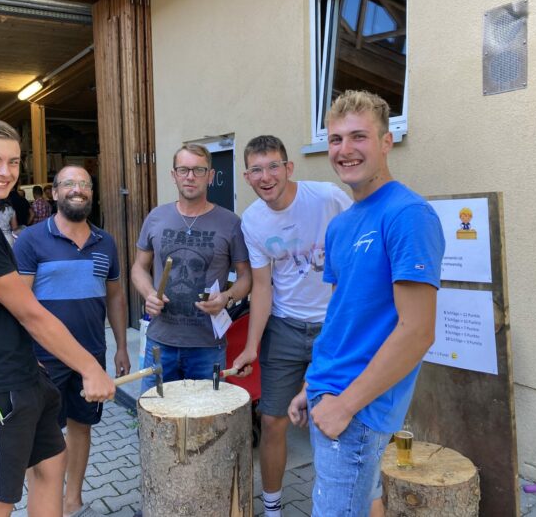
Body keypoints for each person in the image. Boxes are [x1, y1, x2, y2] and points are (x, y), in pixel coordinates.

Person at [0, 117, 115, 517]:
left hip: (21, 373)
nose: (5, 172)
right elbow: (30, 312)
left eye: (13, 162)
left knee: (51, 463)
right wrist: (89, 368)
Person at [288, 90, 445, 517]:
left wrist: (344, 404)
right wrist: (310, 385)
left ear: (386, 141)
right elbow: (340, 319)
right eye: (336, 139)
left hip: (358, 408)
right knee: (367, 501)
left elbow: (418, 331)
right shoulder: (341, 225)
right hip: (329, 392)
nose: (345, 150)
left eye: (359, 137)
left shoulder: (407, 215)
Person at [231, 135, 352, 517]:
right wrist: (251, 347)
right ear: (246, 177)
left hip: (333, 327)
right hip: (284, 327)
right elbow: (262, 287)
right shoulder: (253, 220)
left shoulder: (328, 198)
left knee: (334, 422)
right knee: (271, 420)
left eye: (273, 166)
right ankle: (272, 509)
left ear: (288, 168)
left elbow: (357, 251)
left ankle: (337, 503)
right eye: (256, 170)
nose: (266, 177)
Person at [14, 165, 130, 517]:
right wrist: (24, 354)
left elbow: (115, 297)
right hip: (43, 357)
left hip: (91, 356)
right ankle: (44, 506)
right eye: (69, 184)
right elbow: (19, 304)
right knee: (43, 436)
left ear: (92, 193)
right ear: (54, 192)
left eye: (84, 184)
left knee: (82, 426)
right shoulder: (31, 240)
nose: (77, 189)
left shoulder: (105, 241)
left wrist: (121, 346)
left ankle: (72, 501)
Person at [131, 143, 251, 392]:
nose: (190, 176)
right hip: (160, 341)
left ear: (210, 175)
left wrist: (227, 297)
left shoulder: (230, 223)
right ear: (173, 175)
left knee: (207, 415)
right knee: (156, 411)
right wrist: (149, 294)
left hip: (207, 346)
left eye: (198, 170)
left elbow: (246, 278)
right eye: (183, 170)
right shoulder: (156, 217)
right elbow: (139, 268)